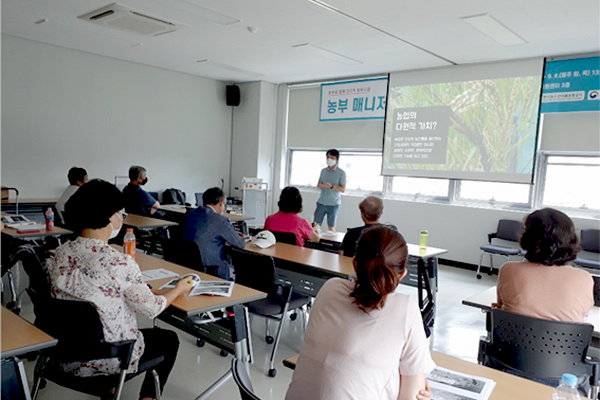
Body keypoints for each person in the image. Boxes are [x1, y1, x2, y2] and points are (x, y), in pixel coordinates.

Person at [47, 179, 194, 400]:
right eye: (120, 212)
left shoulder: (60, 253)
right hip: (112, 358)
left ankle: (110, 391)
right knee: (168, 339)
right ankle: (147, 398)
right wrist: (179, 288)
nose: (121, 217)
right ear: (108, 216)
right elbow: (152, 309)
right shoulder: (118, 262)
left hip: (63, 355)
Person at [285, 225, 434, 400]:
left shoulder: (330, 287)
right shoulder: (406, 308)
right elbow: (412, 396)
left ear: (354, 263)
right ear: (402, 275)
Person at [496, 208, 594, 323]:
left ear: (528, 237)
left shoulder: (509, 269)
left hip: (511, 339)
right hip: (565, 340)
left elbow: (500, 307)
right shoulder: (584, 278)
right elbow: (583, 313)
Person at [182, 187, 245, 280]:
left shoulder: (189, 214)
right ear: (221, 202)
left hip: (186, 264)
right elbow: (239, 244)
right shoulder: (220, 220)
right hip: (211, 269)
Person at [312, 149, 346, 232]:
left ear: (337, 159)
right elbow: (319, 184)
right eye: (328, 157)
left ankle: (331, 244)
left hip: (333, 204)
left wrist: (332, 186)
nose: (329, 159)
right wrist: (320, 185)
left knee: (331, 227)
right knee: (315, 225)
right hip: (321, 202)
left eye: (332, 157)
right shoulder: (323, 171)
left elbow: (342, 189)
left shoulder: (341, 173)